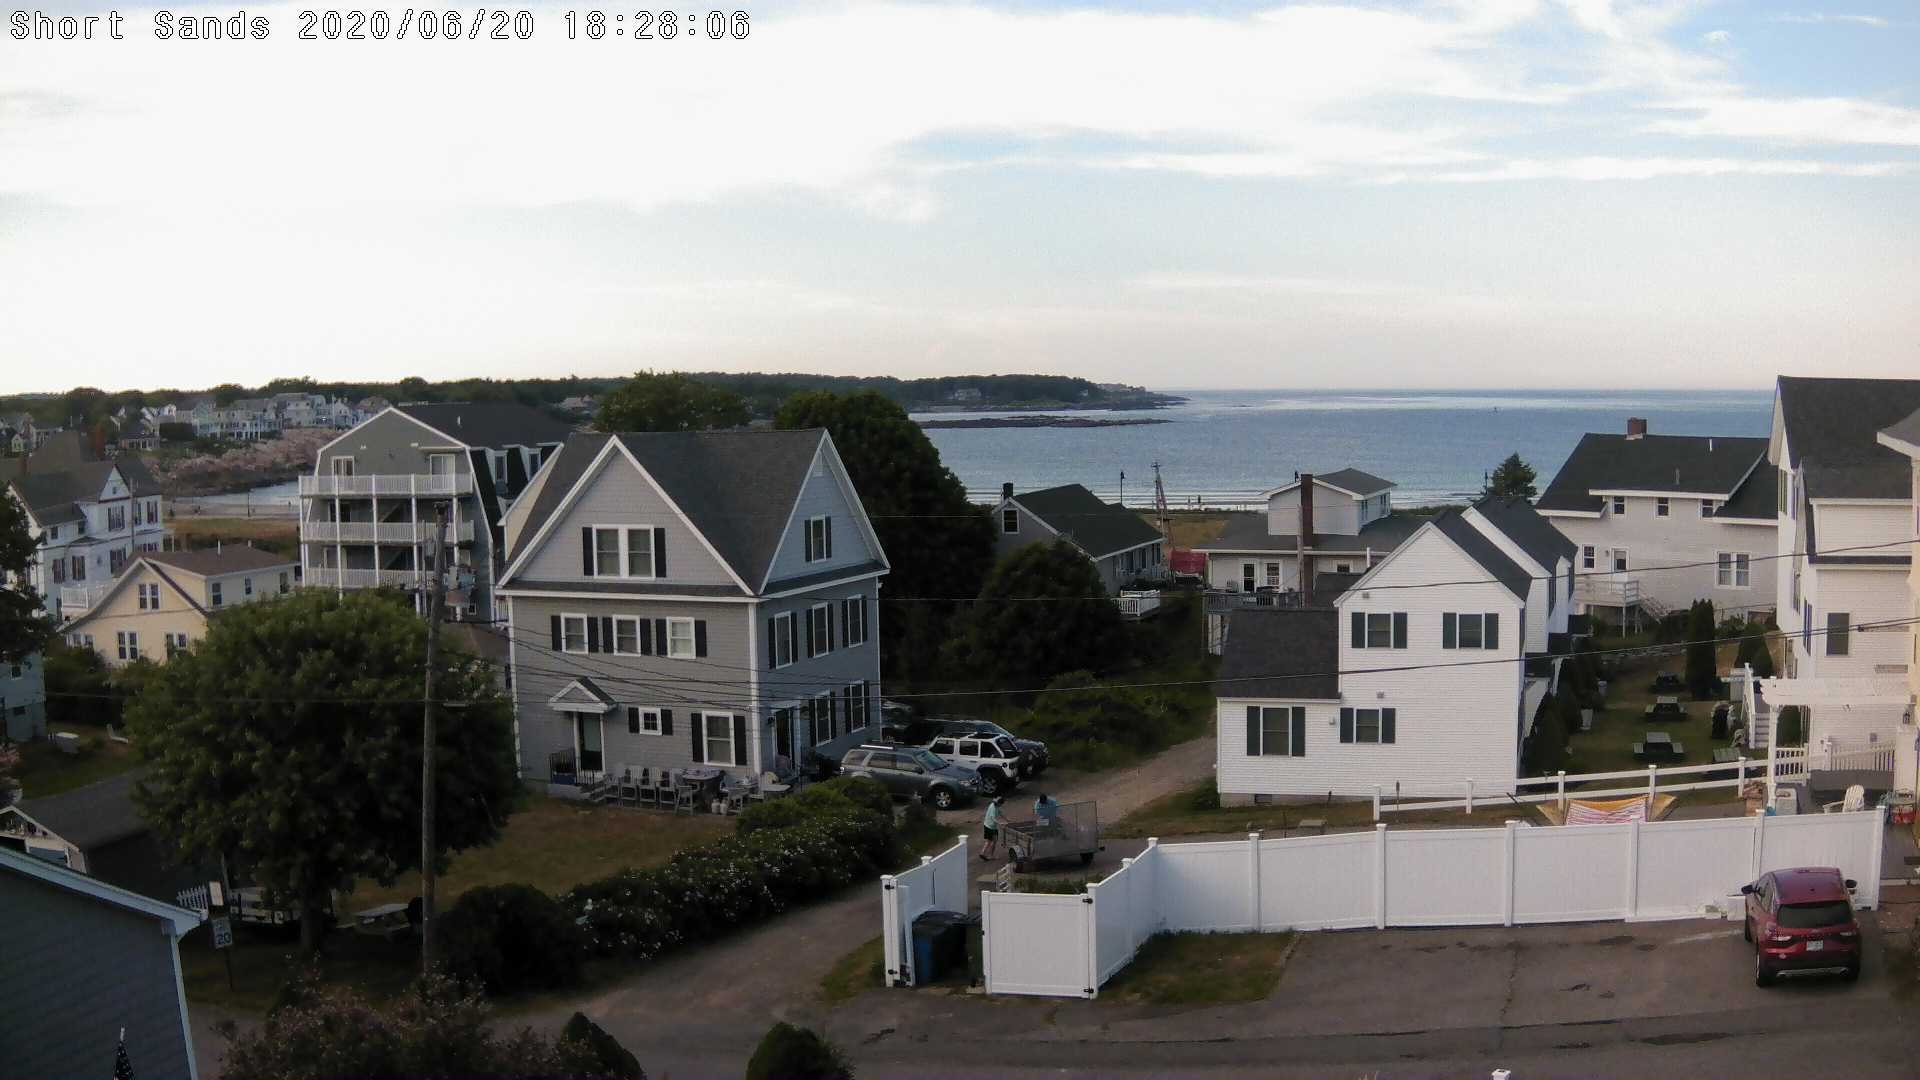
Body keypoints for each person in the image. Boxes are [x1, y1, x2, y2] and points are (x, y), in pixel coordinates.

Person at [981, 796, 1004, 860]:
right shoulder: (993, 808)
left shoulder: (995, 805)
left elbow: (1000, 813)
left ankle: (982, 853)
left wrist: (1007, 819)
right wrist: (1000, 823)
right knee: (994, 841)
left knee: (989, 841)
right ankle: (991, 855)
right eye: (1001, 804)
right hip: (990, 827)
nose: (1001, 805)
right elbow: (993, 818)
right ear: (999, 803)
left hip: (988, 825)